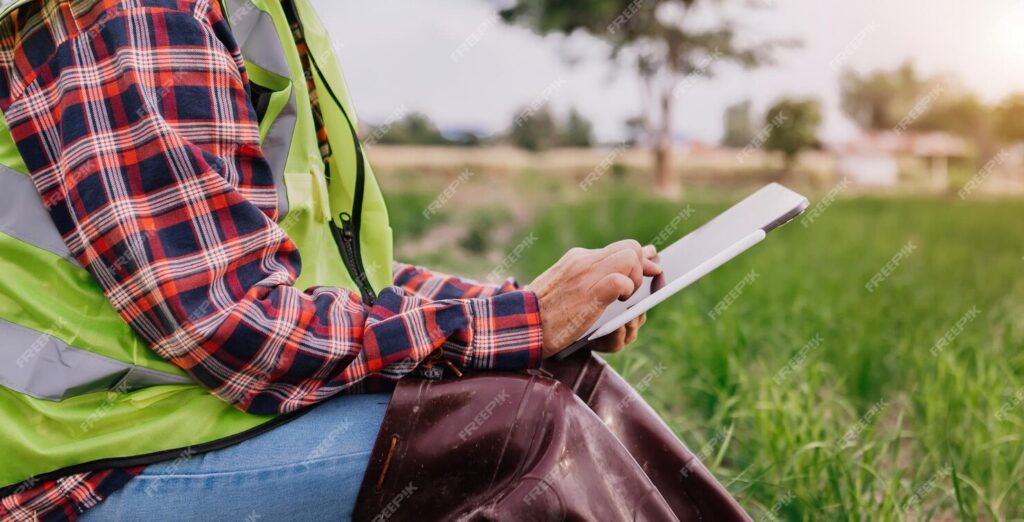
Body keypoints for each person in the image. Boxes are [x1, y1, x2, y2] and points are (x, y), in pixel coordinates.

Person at [0, 0, 745, 520]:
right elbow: (233, 328)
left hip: (191, 420)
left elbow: (330, 279)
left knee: (563, 377)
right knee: (518, 434)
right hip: (91, 474)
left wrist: (536, 308)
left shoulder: (258, 13)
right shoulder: (128, 15)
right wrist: (521, 321)